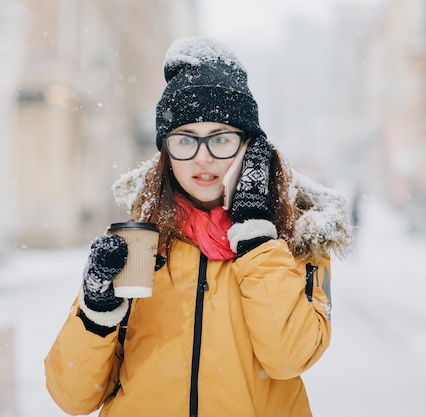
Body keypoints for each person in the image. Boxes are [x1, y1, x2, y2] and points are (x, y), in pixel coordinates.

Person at [45, 37, 351, 417]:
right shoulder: (140, 245)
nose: (202, 157)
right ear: (165, 152)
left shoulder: (297, 243)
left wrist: (255, 237)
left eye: (221, 139)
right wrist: (97, 310)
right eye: (185, 139)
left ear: (249, 148)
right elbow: (73, 397)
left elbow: (288, 358)